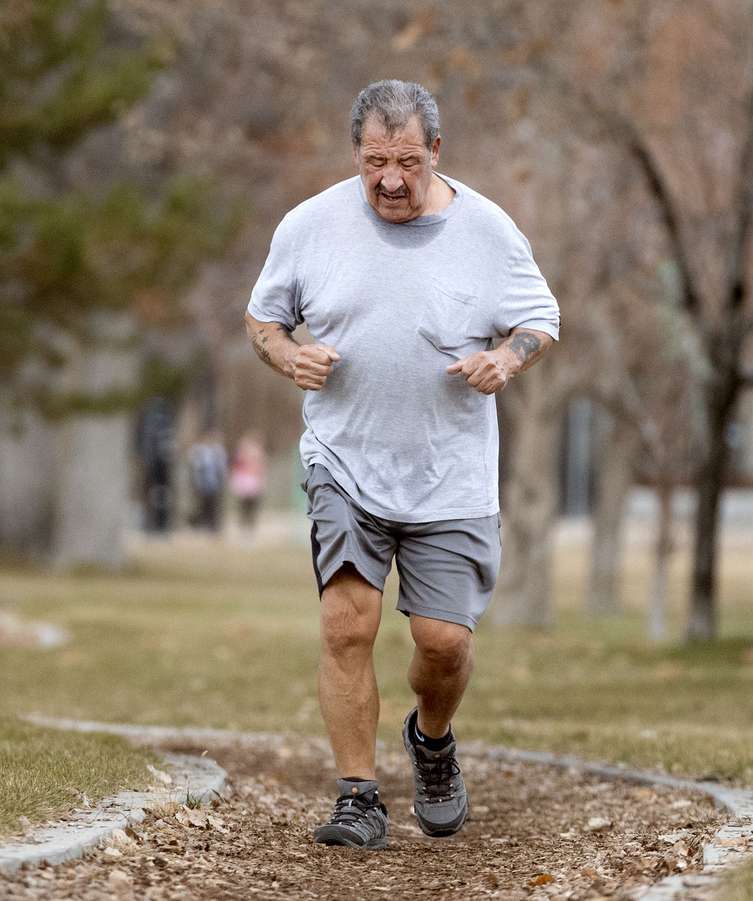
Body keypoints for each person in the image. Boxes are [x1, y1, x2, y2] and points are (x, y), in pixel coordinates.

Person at [244, 80, 559, 850]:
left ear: (436, 153)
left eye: (407, 161)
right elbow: (263, 320)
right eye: (376, 161)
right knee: (347, 623)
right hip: (344, 461)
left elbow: (538, 319)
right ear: (356, 154)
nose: (390, 178)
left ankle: (432, 738)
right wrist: (288, 355)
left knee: (443, 641)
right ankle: (358, 795)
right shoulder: (310, 225)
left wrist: (505, 359)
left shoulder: (487, 230)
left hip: (449, 474)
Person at [187, 430, 228, 532]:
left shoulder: (218, 451)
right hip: (201, 482)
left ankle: (213, 525)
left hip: (214, 482)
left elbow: (222, 467)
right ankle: (200, 524)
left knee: (214, 504)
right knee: (201, 504)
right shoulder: (198, 451)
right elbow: (194, 466)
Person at [229, 431, 267, 534]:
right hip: (244, 483)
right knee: (243, 506)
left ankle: (250, 526)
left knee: (252, 506)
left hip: (253, 483)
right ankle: (243, 526)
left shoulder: (258, 454)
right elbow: (236, 469)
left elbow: (260, 469)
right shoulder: (241, 457)